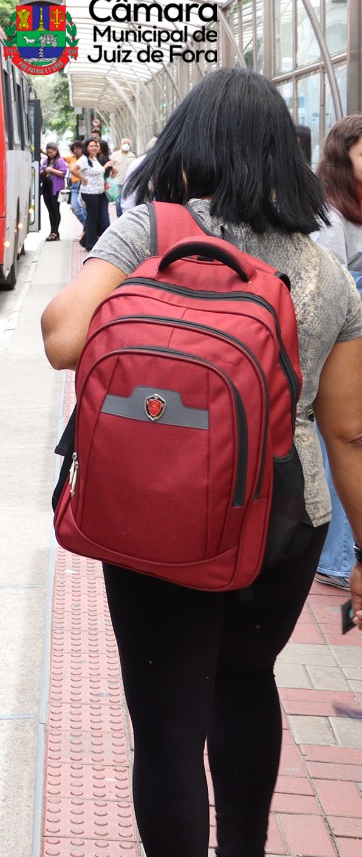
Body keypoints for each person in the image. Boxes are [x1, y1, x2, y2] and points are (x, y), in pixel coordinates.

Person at [40, 67, 362, 857]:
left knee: (169, 726)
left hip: (162, 512)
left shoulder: (151, 230)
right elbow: (349, 433)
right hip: (287, 526)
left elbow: (60, 338)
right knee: (248, 683)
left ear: (187, 148)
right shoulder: (328, 276)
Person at [311, 114, 362, 589]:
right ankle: (339, 558)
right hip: (347, 333)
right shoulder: (330, 210)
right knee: (346, 437)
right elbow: (333, 284)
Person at [69, 137, 114, 249]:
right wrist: (82, 178)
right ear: (86, 147)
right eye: (91, 146)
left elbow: (98, 172)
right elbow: (73, 170)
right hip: (89, 192)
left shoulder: (94, 159)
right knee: (93, 218)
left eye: (96, 146)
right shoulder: (84, 159)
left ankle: (85, 241)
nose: (94, 148)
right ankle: (90, 244)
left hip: (98, 191)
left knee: (94, 217)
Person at [40, 141, 68, 241]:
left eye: (51, 152)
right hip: (47, 187)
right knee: (50, 210)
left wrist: (51, 170)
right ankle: (53, 231)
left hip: (56, 189)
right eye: (48, 152)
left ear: (56, 151)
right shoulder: (46, 161)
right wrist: (44, 171)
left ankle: (54, 232)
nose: (50, 154)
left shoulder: (59, 161)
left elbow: (63, 173)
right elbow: (40, 170)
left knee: (55, 209)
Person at [109, 137, 136, 217]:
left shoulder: (132, 156)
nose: (126, 145)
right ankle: (119, 216)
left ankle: (124, 217)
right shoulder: (115, 155)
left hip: (128, 181)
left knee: (126, 201)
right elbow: (111, 166)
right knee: (118, 201)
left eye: (128, 144)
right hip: (117, 181)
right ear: (121, 145)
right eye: (125, 143)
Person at [65, 136, 88, 226]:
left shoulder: (86, 158)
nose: (76, 150)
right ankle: (87, 227)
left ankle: (88, 230)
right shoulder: (71, 158)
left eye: (79, 148)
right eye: (74, 149)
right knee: (75, 207)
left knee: (86, 209)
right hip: (74, 186)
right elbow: (58, 157)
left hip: (85, 185)